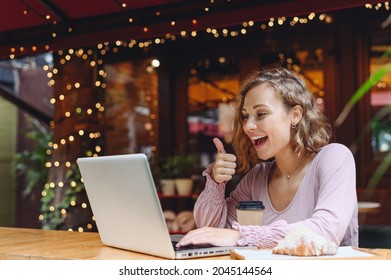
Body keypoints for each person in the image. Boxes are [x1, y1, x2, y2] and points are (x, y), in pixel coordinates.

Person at [177, 67, 358, 249]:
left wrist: (241, 235)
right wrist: (216, 183)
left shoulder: (335, 157)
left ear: (295, 115)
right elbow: (213, 233)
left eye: (261, 114)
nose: (248, 126)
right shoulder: (257, 178)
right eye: (245, 116)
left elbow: (326, 231)